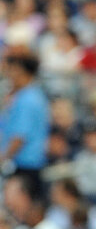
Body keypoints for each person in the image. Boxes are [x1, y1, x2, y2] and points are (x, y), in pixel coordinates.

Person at [0, 53, 50, 194]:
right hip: (29, 163)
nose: (9, 75)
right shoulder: (33, 95)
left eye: (13, 70)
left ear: (22, 71)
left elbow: (19, 136)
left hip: (26, 164)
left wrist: (3, 158)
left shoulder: (27, 99)